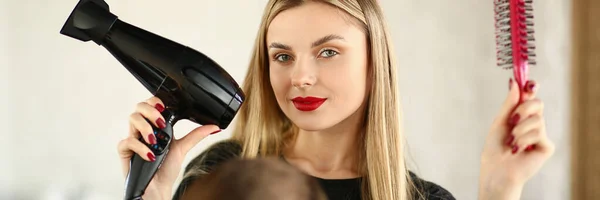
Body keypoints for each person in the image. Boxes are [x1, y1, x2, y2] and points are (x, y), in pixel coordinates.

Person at [117, 0, 555, 199]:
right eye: (282, 56)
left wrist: (499, 191)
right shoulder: (222, 175)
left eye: (328, 52)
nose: (300, 77)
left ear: (374, 63)